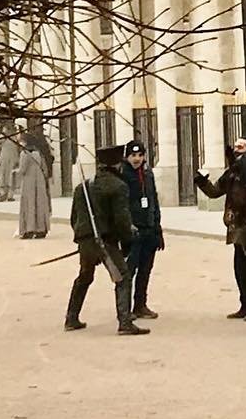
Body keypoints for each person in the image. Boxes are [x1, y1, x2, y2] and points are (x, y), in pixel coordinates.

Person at [66, 144, 146, 334]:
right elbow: (122, 220)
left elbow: (74, 219)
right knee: (123, 276)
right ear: (118, 165)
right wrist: (128, 237)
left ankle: (71, 318)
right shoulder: (119, 186)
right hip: (105, 240)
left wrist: (82, 240)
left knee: (85, 276)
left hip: (86, 240)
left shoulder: (83, 187)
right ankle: (125, 322)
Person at [195, 136, 246, 322]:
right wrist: (201, 181)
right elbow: (215, 192)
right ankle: (244, 305)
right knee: (240, 269)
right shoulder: (232, 172)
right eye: (236, 147)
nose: (238, 150)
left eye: (242, 147)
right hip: (237, 227)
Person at [118, 140, 163, 319]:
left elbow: (153, 199)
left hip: (149, 227)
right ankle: (125, 309)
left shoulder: (147, 173)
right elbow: (121, 205)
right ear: (127, 156)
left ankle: (140, 304)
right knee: (129, 270)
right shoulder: (123, 174)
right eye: (133, 155)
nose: (136, 159)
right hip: (133, 229)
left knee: (146, 269)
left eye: (139, 155)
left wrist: (157, 227)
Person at [17, 133, 52, 239]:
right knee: (39, 203)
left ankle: (29, 229)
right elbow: (44, 168)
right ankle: (41, 228)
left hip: (29, 181)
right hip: (40, 181)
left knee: (29, 204)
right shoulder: (38, 153)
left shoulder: (25, 153)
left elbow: (22, 169)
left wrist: (15, 172)